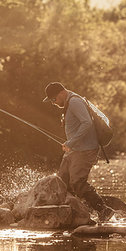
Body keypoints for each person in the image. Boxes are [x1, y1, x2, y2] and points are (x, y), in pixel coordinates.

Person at [42, 82, 115, 221]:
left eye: (53, 99)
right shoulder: (69, 102)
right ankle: (72, 212)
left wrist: (71, 142)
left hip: (85, 150)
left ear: (62, 93)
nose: (53, 103)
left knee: (77, 182)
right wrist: (71, 144)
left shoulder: (75, 102)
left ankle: (103, 210)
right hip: (74, 151)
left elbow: (87, 122)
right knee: (62, 182)